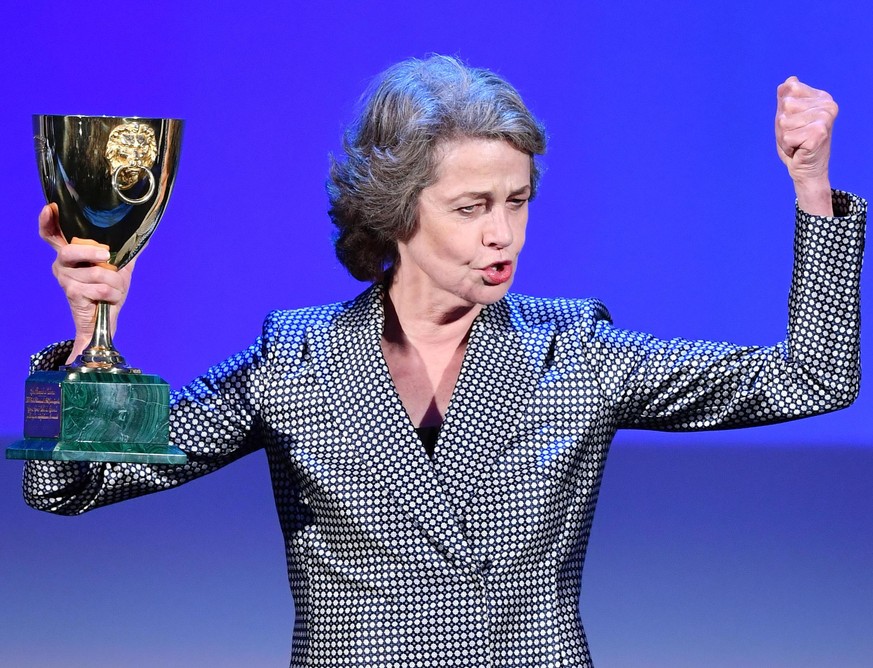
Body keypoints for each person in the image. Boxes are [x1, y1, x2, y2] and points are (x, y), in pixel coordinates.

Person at [22, 55, 865, 668]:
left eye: (516, 202)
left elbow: (810, 377)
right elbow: (71, 486)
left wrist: (811, 189)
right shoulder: (296, 357)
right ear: (394, 215)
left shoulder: (573, 351)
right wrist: (85, 337)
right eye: (470, 208)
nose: (502, 234)